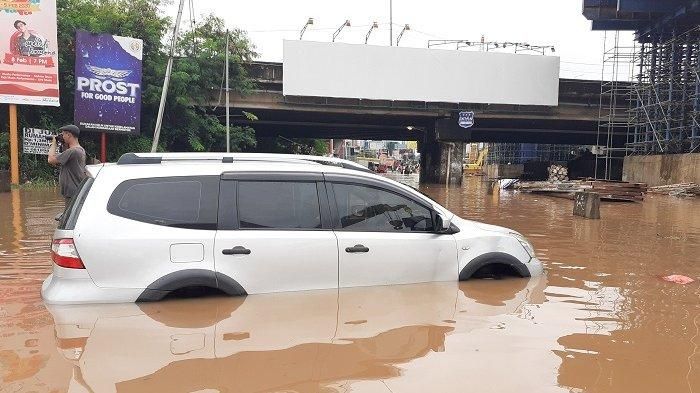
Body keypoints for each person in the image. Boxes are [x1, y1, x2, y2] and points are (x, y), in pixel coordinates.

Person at [48, 125, 86, 207]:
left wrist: (54, 143)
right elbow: (59, 162)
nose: (63, 137)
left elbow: (50, 159)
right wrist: (63, 144)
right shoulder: (80, 150)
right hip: (75, 191)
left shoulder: (73, 151)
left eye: (63, 134)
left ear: (69, 135)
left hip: (72, 193)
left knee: (69, 218)